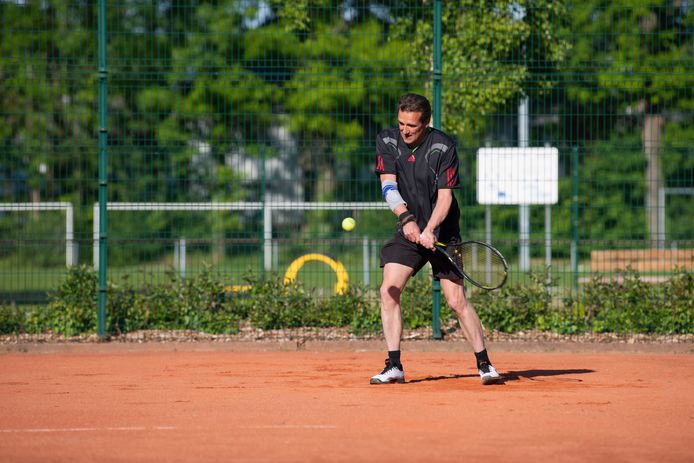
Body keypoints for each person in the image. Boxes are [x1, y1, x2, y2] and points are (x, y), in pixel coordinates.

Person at [371, 93, 501, 385]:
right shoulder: (388, 141)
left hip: (443, 233)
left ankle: (485, 364)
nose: (405, 130)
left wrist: (429, 230)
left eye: (412, 126)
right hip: (408, 229)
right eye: (401, 123)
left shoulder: (443, 146)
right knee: (388, 290)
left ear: (426, 124)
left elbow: (445, 198)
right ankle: (394, 366)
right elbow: (388, 186)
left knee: (456, 301)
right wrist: (406, 219)